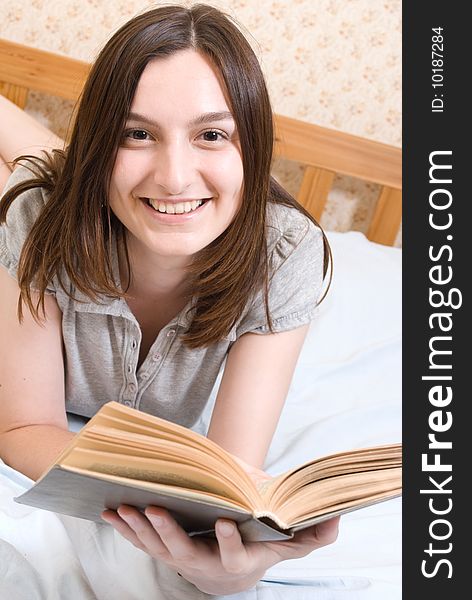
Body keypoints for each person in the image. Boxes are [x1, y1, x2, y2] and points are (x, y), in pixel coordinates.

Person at [0, 3, 338, 596]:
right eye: (137, 132)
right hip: (58, 198)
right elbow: (26, 425)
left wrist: (232, 563)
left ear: (251, 147)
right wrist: (167, 506)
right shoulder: (37, 221)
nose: (176, 176)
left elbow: (230, 479)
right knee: (32, 175)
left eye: (211, 134)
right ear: (102, 141)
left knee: (46, 162)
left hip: (88, 187)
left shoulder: (286, 255)